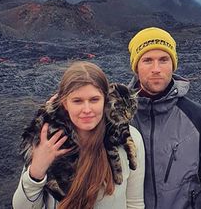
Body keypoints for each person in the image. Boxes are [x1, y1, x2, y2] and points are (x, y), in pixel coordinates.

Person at [13, 61, 145, 209]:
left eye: (94, 99)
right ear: (65, 103)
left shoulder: (129, 139)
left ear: (105, 100)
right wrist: (36, 171)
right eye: (77, 101)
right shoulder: (47, 139)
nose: (87, 109)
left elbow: (135, 204)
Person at [127, 27, 201, 209]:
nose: (156, 69)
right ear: (136, 67)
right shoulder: (118, 116)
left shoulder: (197, 117)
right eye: (147, 60)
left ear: (173, 63)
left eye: (163, 60)